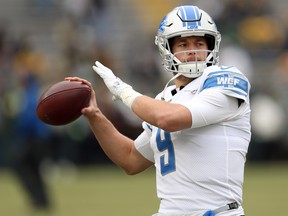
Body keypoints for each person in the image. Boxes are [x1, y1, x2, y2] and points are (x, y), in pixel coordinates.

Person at [66, 5, 251, 216]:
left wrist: (121, 90)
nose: (192, 50)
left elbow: (169, 118)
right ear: (167, 49)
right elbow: (130, 159)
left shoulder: (225, 80)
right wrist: (94, 114)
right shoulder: (165, 98)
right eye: (183, 43)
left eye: (199, 42)